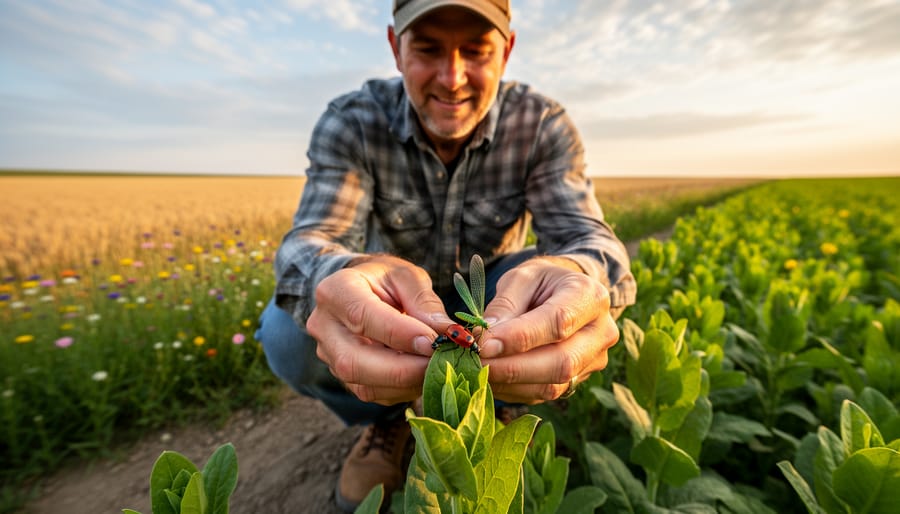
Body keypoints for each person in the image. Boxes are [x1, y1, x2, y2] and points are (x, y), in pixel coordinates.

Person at [256, 0, 636, 511]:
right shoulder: (354, 121)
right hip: (397, 311)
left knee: (549, 298)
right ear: (395, 48)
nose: (452, 78)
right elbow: (310, 241)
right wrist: (345, 271)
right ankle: (389, 420)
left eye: (476, 51)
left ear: (507, 51)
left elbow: (588, 239)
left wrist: (577, 274)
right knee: (287, 333)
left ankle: (484, 411)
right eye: (428, 49)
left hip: (490, 306)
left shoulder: (541, 123)